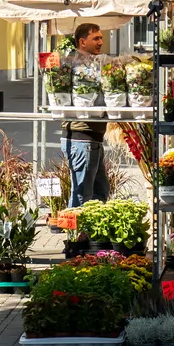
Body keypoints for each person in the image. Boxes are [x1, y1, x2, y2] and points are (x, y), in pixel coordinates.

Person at [59, 22, 111, 207]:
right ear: (82, 41)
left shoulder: (92, 63)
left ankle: (92, 232)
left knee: (100, 192)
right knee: (82, 196)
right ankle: (76, 235)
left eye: (101, 38)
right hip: (82, 139)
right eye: (95, 38)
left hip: (91, 139)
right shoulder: (76, 64)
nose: (100, 42)